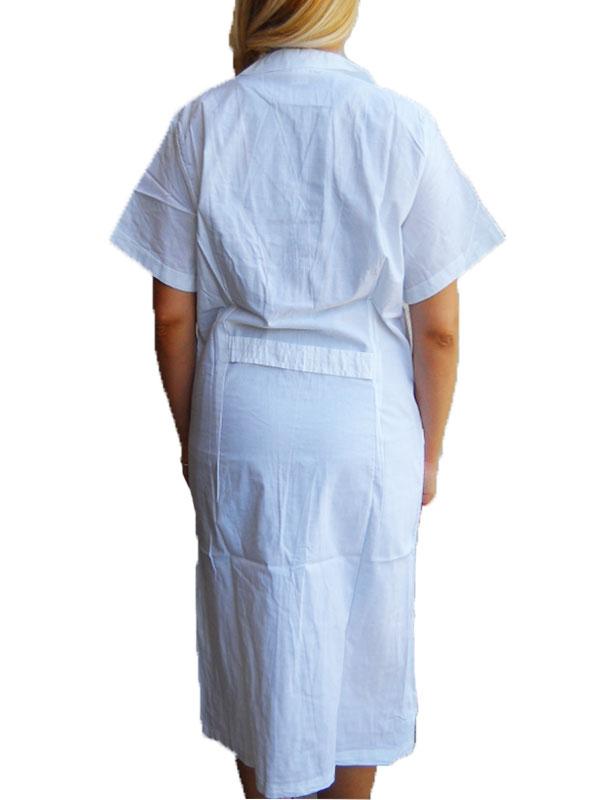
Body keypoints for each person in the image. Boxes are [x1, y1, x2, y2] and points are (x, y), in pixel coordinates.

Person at [109, 1, 506, 797]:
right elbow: (436, 330)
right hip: (366, 423)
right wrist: (430, 452)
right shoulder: (398, 126)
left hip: (241, 414)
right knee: (361, 638)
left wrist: (193, 436)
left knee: (256, 625)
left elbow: (171, 314)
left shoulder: (202, 125)